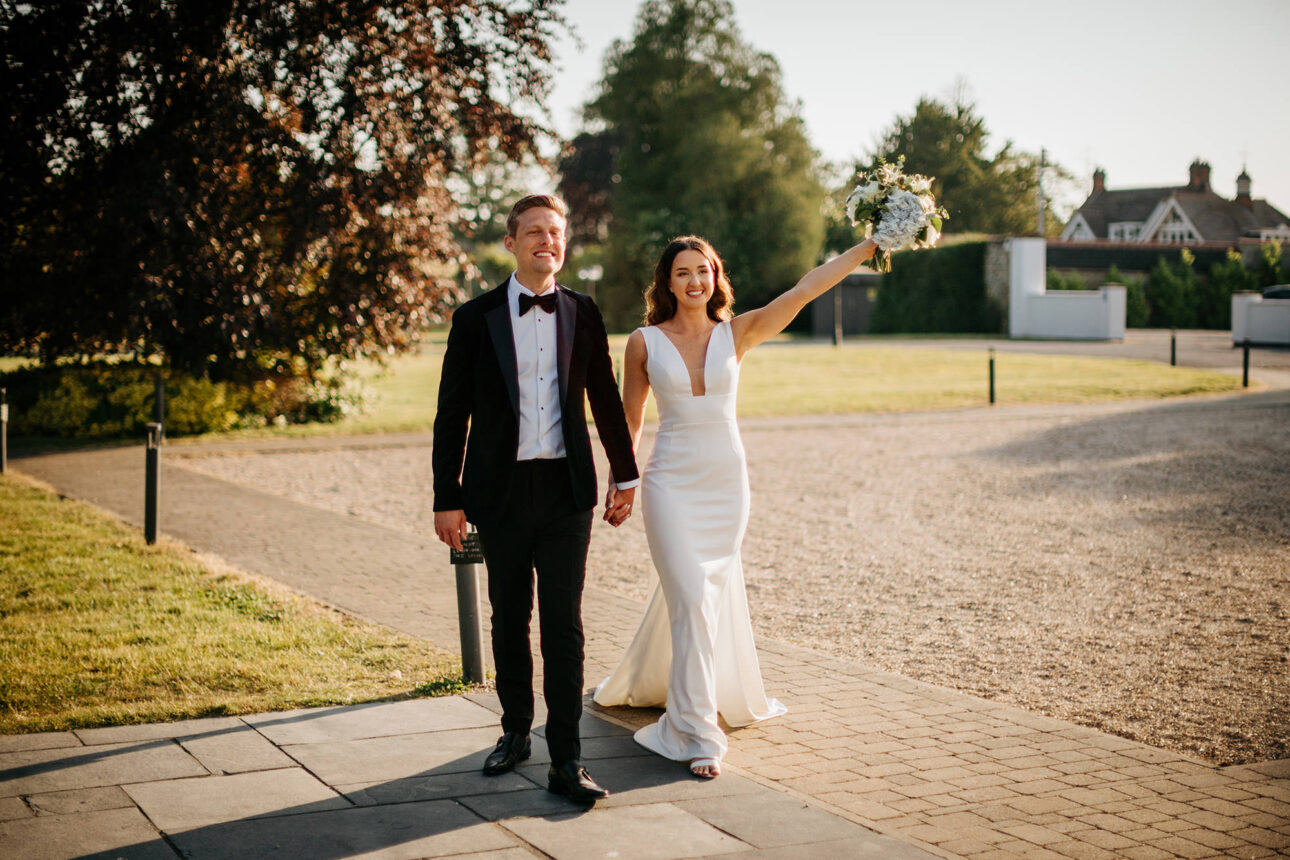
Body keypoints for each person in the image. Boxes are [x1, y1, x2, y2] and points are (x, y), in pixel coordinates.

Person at [594, 234, 879, 778]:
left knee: (703, 599)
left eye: (703, 271)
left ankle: (692, 714)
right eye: (683, 273)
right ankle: (698, 732)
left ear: (715, 276)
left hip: (726, 485)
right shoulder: (642, 343)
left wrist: (867, 247)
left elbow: (805, 289)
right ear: (666, 282)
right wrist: (621, 482)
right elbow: (628, 421)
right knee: (690, 596)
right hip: (669, 484)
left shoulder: (738, 332)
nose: (695, 281)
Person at [432, 194, 639, 803]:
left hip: (566, 491)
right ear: (511, 243)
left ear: (564, 242)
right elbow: (452, 415)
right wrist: (448, 497)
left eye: (555, 232)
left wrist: (625, 476)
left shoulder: (584, 311)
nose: (546, 241)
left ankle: (567, 760)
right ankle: (515, 731)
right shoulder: (475, 317)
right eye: (534, 232)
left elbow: (604, 399)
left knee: (564, 627)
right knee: (509, 617)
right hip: (497, 492)